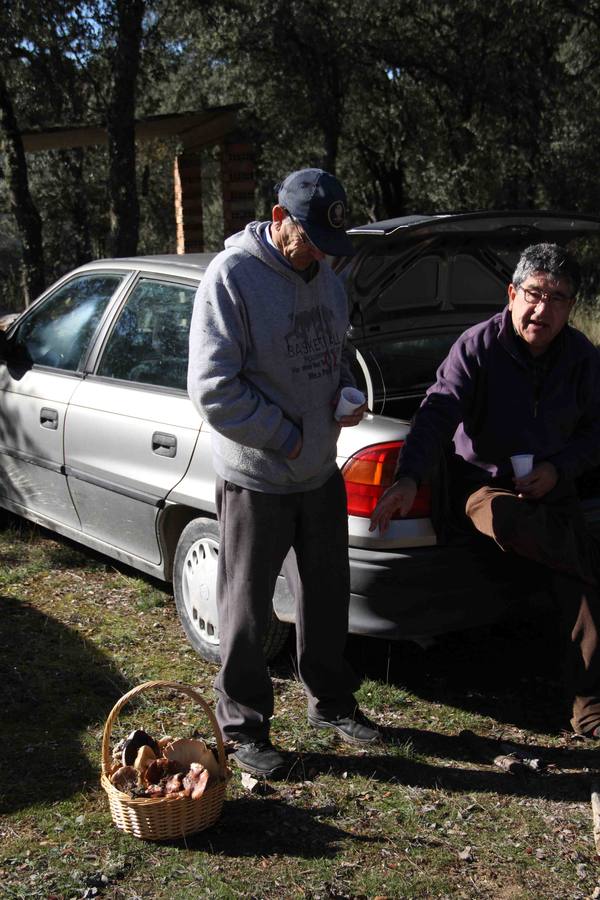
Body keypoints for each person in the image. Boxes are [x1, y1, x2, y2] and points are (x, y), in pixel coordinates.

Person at [188, 168, 380, 777]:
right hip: (258, 479)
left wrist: (346, 393)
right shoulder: (233, 277)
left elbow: (331, 354)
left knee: (326, 595)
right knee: (245, 608)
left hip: (319, 472)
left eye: (331, 242)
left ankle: (330, 701)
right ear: (278, 219)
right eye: (312, 239)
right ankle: (242, 726)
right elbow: (213, 389)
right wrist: (290, 437)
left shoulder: (324, 274)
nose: (322, 254)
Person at [370, 242, 600, 738]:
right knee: (525, 528)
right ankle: (587, 562)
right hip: (484, 489)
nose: (544, 308)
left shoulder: (581, 357)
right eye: (535, 293)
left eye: (558, 298)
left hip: (551, 487)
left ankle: (590, 712)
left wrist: (559, 470)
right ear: (512, 293)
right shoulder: (477, 346)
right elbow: (436, 413)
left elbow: (596, 434)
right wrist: (408, 477)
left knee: (580, 595)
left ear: (571, 308)